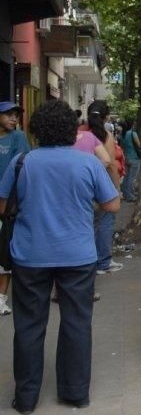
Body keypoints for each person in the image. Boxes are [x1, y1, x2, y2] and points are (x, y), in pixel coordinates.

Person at [0, 100, 120, 413]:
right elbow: (113, 205)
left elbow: (3, 206)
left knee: (28, 326)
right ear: (72, 130)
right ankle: (75, 393)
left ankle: (26, 399)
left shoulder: (22, 162)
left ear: (37, 131)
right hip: (78, 255)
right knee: (77, 323)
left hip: (29, 255)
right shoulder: (88, 164)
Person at [80, 101, 124, 275]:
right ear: (106, 117)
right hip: (102, 185)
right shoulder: (106, 136)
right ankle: (103, 262)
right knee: (105, 221)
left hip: (81, 186)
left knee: (87, 224)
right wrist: (116, 189)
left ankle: (87, 262)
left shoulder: (78, 133)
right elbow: (111, 164)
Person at [0, 101, 31, 316]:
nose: (13, 118)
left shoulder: (18, 138)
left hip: (8, 202)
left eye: (16, 115)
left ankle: (1, 297)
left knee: (4, 251)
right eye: (8, 114)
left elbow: (22, 167)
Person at [119, 120, 141, 202]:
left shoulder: (123, 134)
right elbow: (138, 144)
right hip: (135, 158)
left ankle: (125, 193)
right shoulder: (133, 133)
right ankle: (130, 196)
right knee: (132, 178)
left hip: (126, 158)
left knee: (126, 177)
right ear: (132, 124)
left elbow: (122, 146)